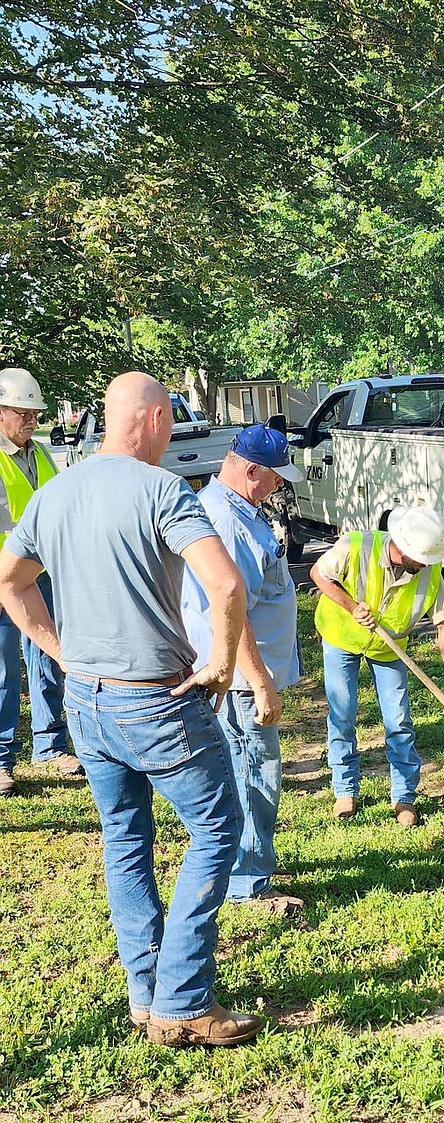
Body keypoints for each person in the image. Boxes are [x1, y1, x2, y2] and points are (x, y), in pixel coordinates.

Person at [0, 371, 264, 1048]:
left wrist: (59, 652)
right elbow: (226, 583)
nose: (172, 431)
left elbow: (10, 582)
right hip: (156, 698)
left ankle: (145, 996)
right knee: (215, 831)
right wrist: (224, 664)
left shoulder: (54, 492)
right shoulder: (163, 489)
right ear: (147, 420)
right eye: (170, 419)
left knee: (125, 841)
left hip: (85, 699)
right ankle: (182, 999)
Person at [182, 424, 305, 912]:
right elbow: (230, 612)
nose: (280, 484)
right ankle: (248, 882)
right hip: (240, 681)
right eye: (275, 476)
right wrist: (260, 683)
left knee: (242, 772)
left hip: (239, 675)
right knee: (255, 774)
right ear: (250, 469)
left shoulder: (235, 509)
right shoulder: (227, 523)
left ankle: (242, 863)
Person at [309, 506, 444, 827]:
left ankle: (404, 797)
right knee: (342, 714)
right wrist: (352, 607)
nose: (425, 566)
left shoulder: (430, 572)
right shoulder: (355, 545)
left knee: (398, 720)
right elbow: (318, 573)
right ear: (402, 547)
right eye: (420, 559)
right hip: (341, 637)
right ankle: (345, 790)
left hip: (388, 648)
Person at [0, 367, 83, 797]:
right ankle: (1, 758)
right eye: (22, 413)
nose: (31, 421)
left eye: (34, 414)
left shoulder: (42, 454)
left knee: (49, 656)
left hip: (42, 574)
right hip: (2, 579)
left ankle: (49, 745)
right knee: (3, 671)